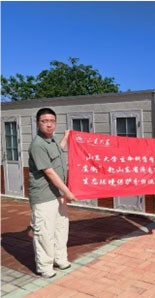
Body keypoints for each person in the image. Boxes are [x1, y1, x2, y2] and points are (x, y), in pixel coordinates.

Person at [28, 108, 75, 278]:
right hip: (44, 196)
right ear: (37, 123)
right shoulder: (38, 145)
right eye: (44, 121)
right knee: (45, 232)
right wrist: (68, 191)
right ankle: (45, 266)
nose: (49, 124)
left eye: (52, 121)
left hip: (58, 194)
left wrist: (66, 137)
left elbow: (59, 152)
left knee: (61, 228)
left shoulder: (52, 141)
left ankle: (60, 258)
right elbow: (49, 172)